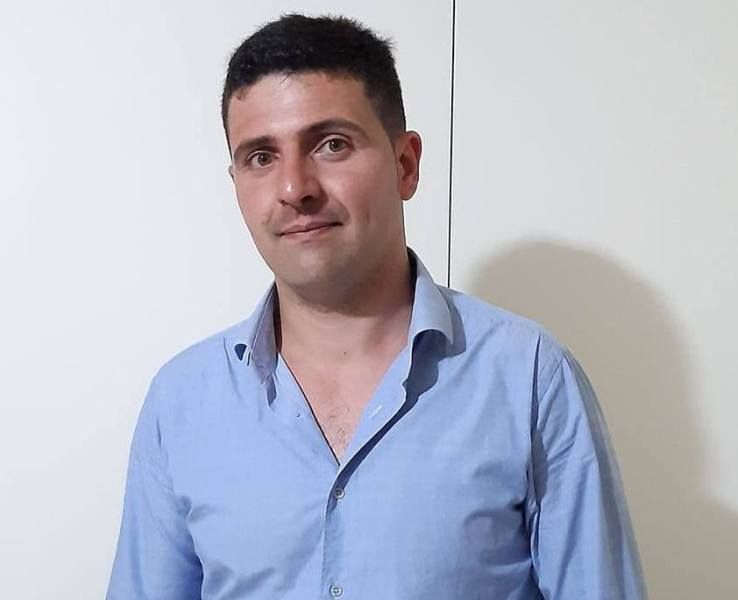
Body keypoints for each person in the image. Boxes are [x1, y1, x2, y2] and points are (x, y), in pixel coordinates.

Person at [107, 13, 647, 600]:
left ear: (405, 165)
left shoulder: (531, 379)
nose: (294, 188)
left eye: (331, 145)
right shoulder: (181, 404)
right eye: (261, 157)